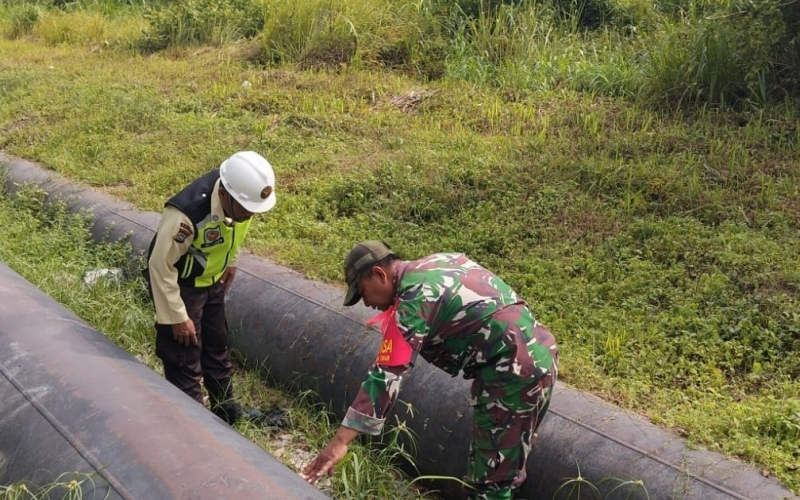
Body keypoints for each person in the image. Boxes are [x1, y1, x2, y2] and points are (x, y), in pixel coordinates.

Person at [302, 241, 558, 500]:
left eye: (362, 291)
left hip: (512, 372)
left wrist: (341, 441)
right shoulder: (438, 263)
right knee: (505, 468)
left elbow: (386, 373)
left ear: (379, 274)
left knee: (490, 483)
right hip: (539, 354)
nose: (366, 303)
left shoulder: (414, 298)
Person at [143, 151, 276, 425]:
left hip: (211, 281)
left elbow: (233, 231)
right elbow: (158, 264)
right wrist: (177, 317)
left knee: (217, 349)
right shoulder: (188, 214)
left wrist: (231, 262)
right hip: (180, 286)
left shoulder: (241, 199)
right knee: (184, 357)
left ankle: (227, 412)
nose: (250, 214)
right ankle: (194, 427)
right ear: (226, 195)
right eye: (246, 208)